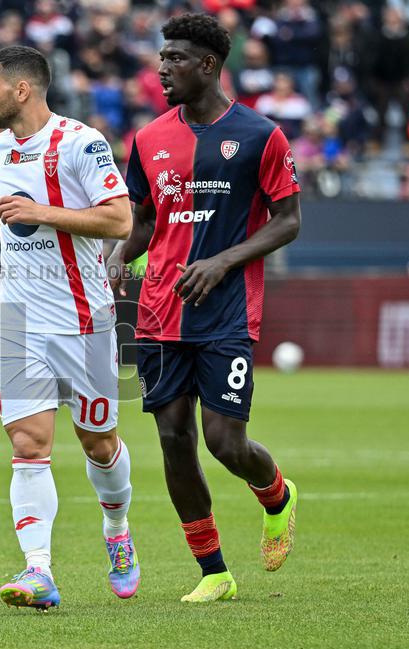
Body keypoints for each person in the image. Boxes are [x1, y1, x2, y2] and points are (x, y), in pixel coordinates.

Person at [109, 13, 301, 603]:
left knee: (224, 443)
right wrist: (118, 258)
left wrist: (223, 262)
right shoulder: (147, 139)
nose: (162, 69)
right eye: (161, 57)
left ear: (210, 65)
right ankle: (214, 571)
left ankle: (276, 494)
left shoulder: (260, 135)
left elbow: (288, 221)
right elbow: (143, 221)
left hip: (225, 314)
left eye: (175, 59)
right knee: (173, 439)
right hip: (161, 311)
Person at [0, 45, 137, 610]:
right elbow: (9, 201)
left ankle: (118, 531)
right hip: (18, 321)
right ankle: (39, 571)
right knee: (28, 444)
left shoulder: (81, 143)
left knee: (99, 443)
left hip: (83, 321)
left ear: (22, 90)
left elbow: (120, 217)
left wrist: (42, 215)